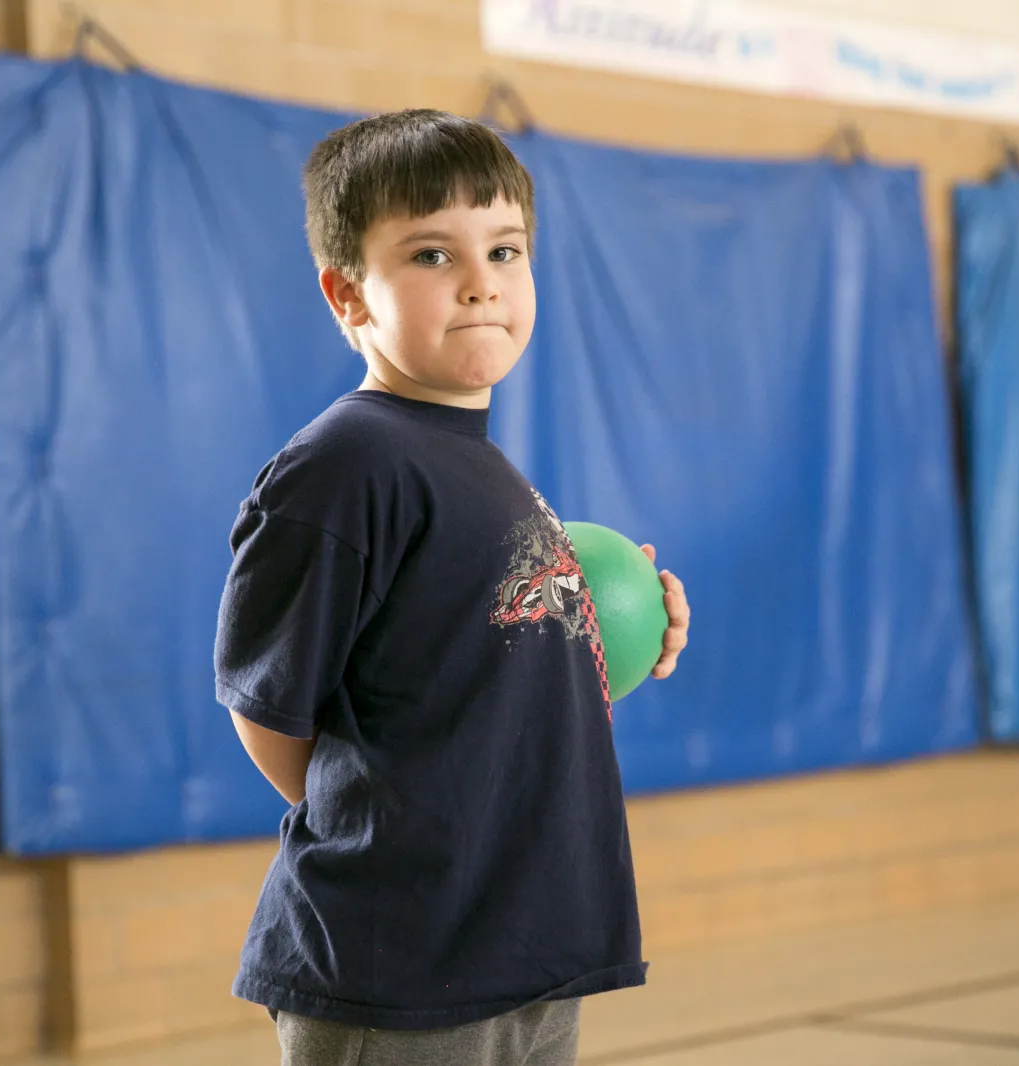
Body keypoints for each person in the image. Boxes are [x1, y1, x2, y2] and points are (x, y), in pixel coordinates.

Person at [213, 109, 692, 1066]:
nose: (480, 282)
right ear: (347, 296)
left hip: (525, 949)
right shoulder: (346, 464)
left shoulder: (487, 469)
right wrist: (400, 822)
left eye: (504, 249)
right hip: (401, 971)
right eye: (431, 255)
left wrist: (609, 643)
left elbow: (472, 672)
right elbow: (267, 709)